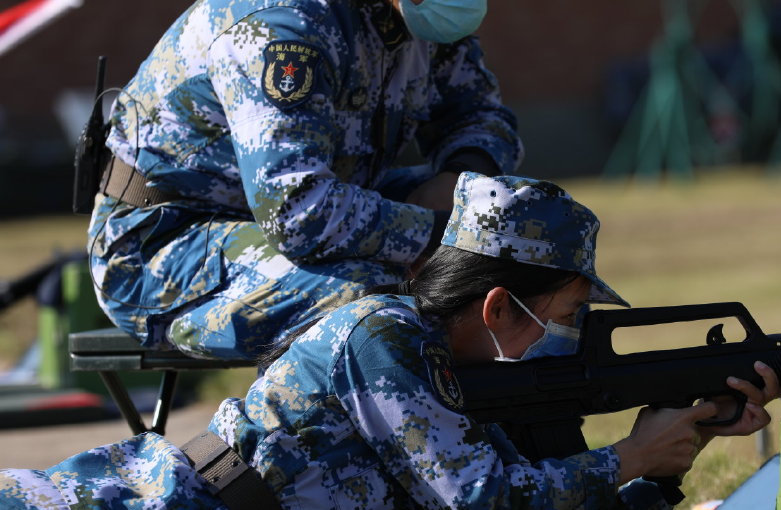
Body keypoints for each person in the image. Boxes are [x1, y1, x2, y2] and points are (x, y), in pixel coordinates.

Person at [2, 174, 781, 510]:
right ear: (496, 306)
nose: (572, 336)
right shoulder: (382, 336)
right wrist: (627, 456)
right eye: (566, 312)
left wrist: (676, 451)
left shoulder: (466, 392)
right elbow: (493, 507)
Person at [88, 0, 520, 361]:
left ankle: (516, 440)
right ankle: (306, 452)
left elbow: (480, 115)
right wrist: (439, 235)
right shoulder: (282, 23)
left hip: (321, 212)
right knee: (375, 301)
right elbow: (298, 212)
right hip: (163, 248)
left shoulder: (420, 16)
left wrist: (457, 179)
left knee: (523, 222)